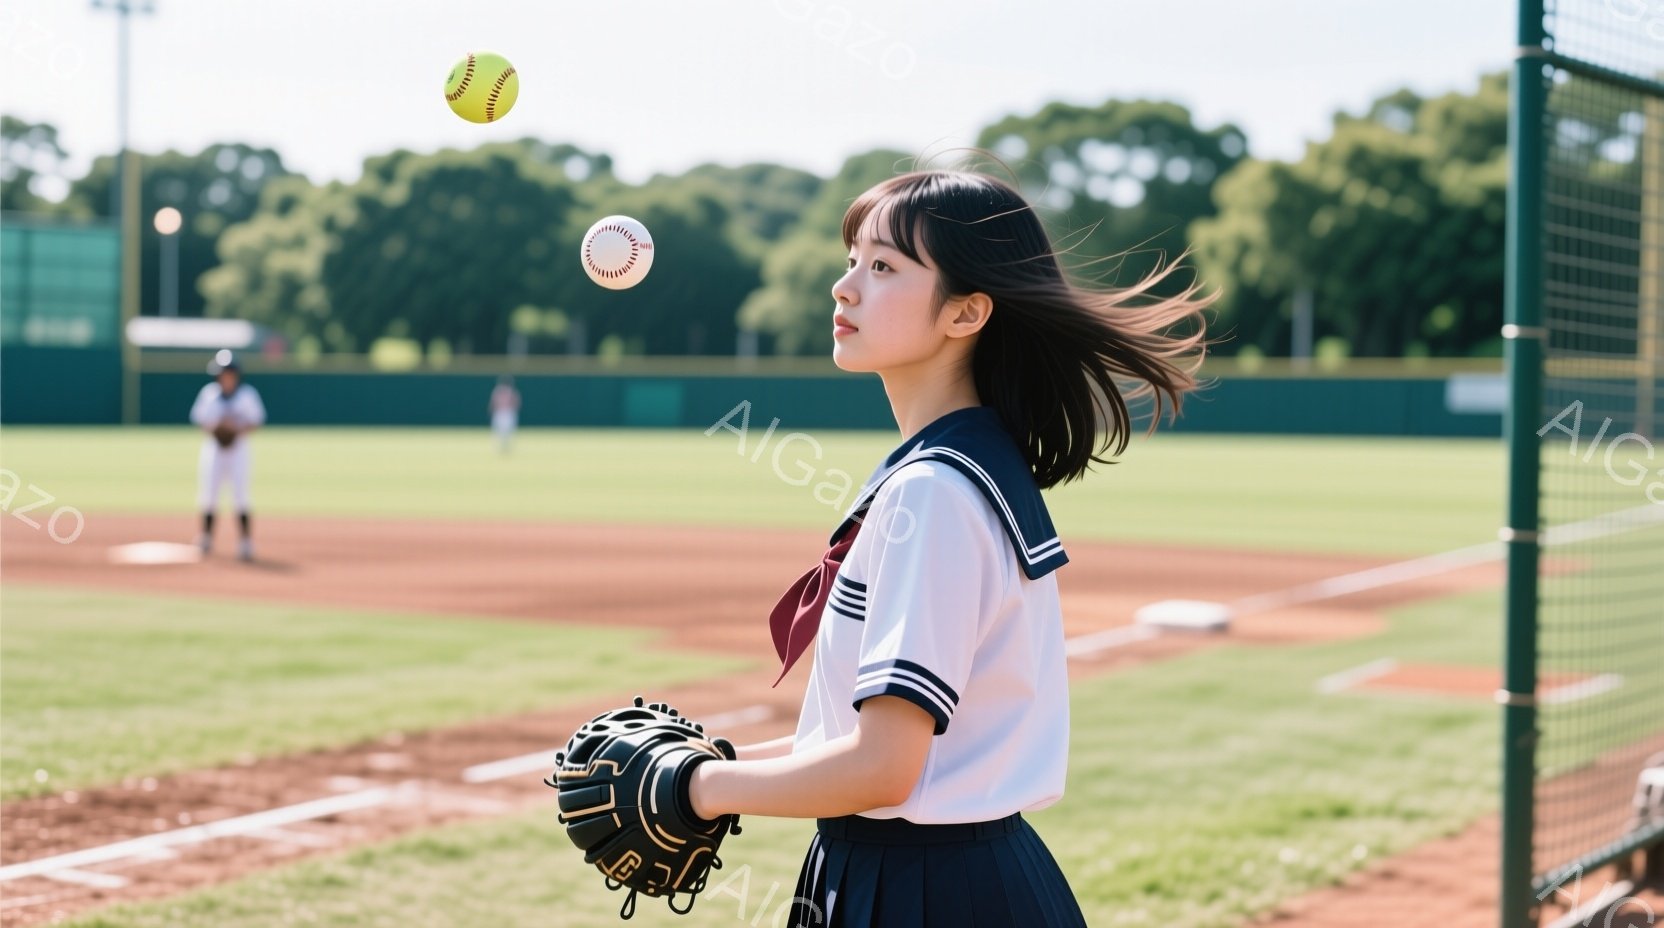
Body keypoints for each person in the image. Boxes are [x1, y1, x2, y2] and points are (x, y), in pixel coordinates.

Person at [684, 169, 1212, 926]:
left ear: (966, 313)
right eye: (853, 259)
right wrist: (707, 770)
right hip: (947, 876)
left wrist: (700, 792)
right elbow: (864, 752)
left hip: (923, 891)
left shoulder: (932, 491)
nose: (844, 287)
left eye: (884, 267)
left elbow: (883, 769)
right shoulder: (961, 464)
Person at [190, 349, 266, 561]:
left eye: (228, 373)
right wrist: (218, 426)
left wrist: (235, 428)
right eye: (222, 373)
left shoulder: (247, 395)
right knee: (209, 494)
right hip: (214, 448)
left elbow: (257, 422)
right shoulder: (209, 394)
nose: (225, 377)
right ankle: (205, 538)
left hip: (239, 449)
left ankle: (245, 542)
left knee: (241, 496)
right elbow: (199, 420)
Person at [489, 374, 521, 453]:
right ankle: (502, 447)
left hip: (506, 412)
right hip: (502, 412)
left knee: (507, 431)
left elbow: (516, 402)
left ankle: (505, 447)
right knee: (500, 431)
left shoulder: (504, 391)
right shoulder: (499, 391)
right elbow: (494, 402)